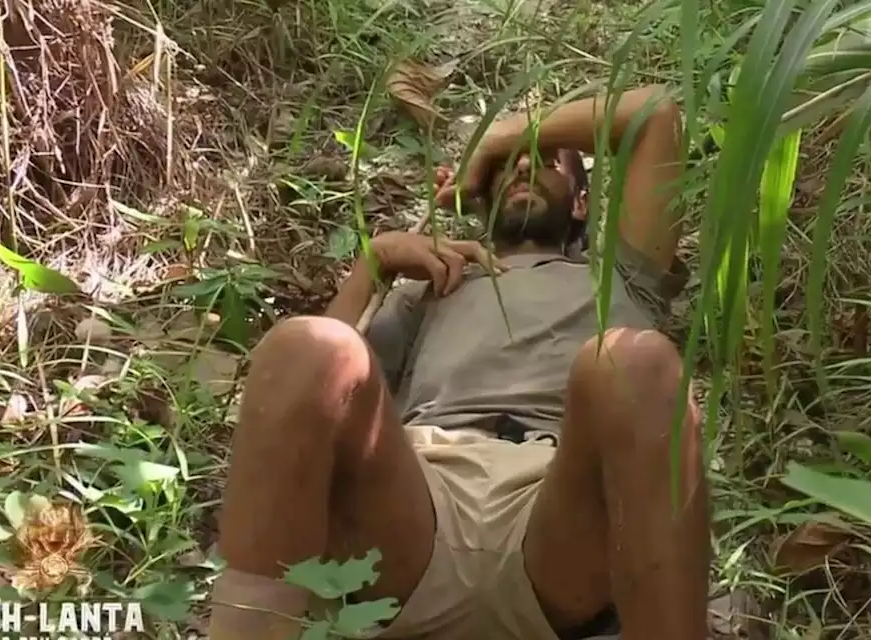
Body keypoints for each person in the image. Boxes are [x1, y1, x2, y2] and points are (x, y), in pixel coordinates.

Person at [208, 83, 708, 640]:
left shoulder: (622, 275)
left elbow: (655, 114)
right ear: (481, 202)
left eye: (543, 162)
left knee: (636, 363)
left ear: (582, 202)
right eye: (506, 170)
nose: (522, 168)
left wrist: (499, 138)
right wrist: (372, 266)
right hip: (415, 513)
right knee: (306, 345)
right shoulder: (434, 286)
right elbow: (313, 400)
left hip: (560, 523)